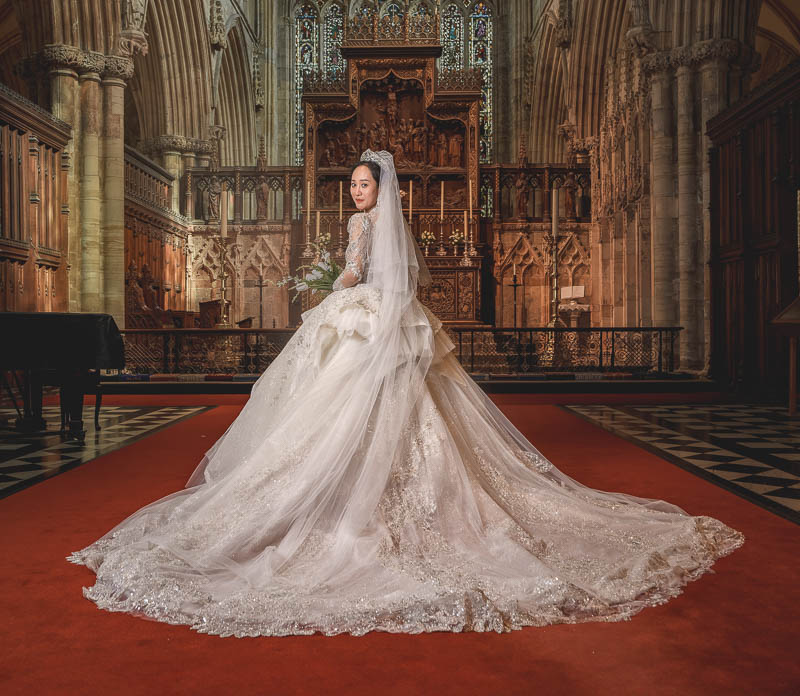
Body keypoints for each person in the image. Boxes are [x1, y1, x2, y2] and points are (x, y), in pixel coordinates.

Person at [67, 149, 742, 638]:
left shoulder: (363, 229)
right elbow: (396, 284)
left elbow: (356, 276)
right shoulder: (390, 224)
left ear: (376, 190)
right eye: (354, 185)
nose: (356, 193)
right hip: (391, 323)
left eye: (363, 185)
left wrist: (328, 287)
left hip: (369, 323)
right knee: (386, 419)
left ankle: (349, 506)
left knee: (345, 415)